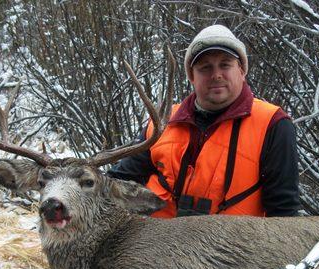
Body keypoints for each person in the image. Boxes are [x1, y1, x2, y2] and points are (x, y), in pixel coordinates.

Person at [108, 25, 301, 218]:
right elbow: (116, 183)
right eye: (205, 67)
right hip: (157, 243)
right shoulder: (162, 123)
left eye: (225, 64)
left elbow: (284, 212)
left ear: (241, 70)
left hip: (234, 246)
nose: (216, 75)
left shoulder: (273, 124)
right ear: (192, 76)